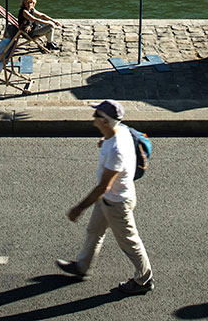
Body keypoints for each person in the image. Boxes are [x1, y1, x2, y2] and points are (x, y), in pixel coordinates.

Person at [55, 100, 154, 295]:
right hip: (109, 199)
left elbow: (103, 186)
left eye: (97, 115)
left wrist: (79, 208)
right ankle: (82, 267)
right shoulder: (120, 131)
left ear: (107, 122)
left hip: (117, 203)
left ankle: (144, 279)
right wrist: (104, 140)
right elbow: (118, 135)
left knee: (129, 242)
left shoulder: (116, 151)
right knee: (94, 230)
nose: (94, 118)